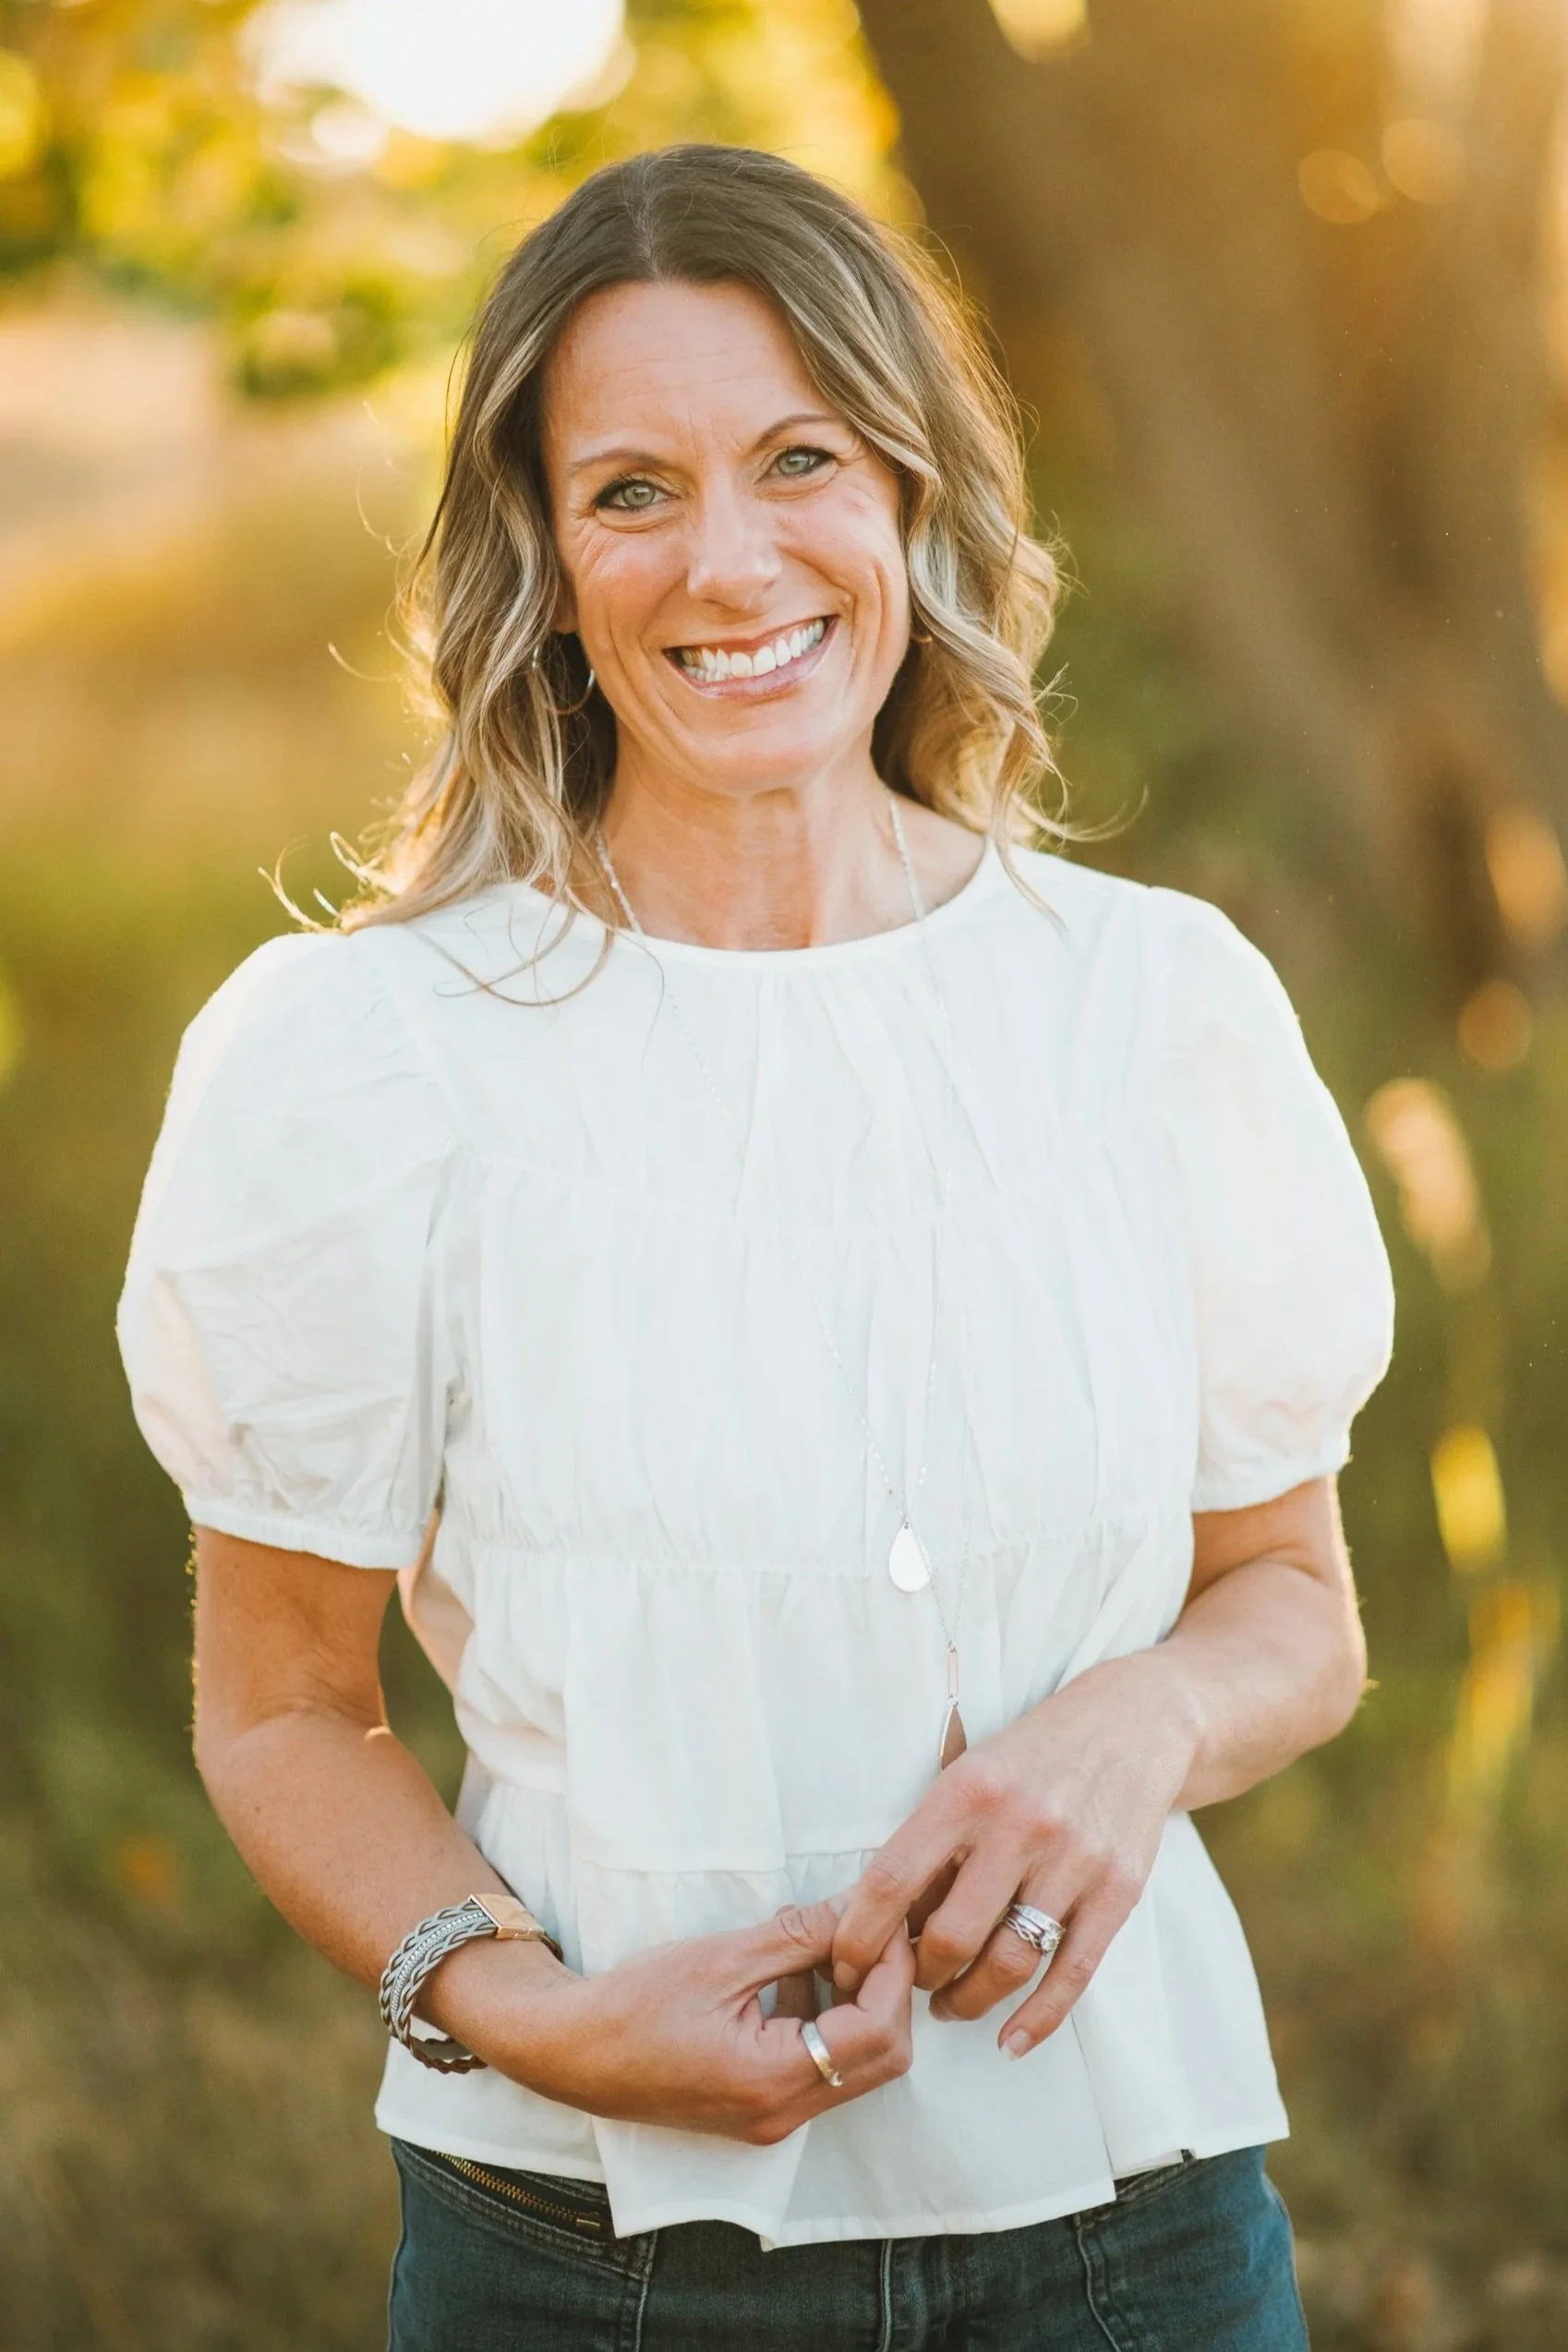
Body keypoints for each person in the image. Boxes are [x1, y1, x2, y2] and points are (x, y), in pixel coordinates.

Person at [117, 144, 1393, 2349]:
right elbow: (286, 1710)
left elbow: (1293, 1599)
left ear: (909, 491)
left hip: (1140, 2227)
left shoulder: (1152, 1004)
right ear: (544, 560)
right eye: (632, 491)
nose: (731, 561)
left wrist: (1135, 1731)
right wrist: (525, 2015)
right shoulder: (368, 1060)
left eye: (800, 457)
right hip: (583, 2261)